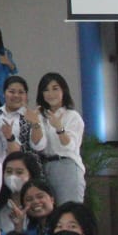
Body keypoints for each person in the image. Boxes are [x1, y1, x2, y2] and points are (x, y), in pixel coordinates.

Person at [36, 72, 86, 205]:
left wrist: (59, 128)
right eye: (46, 90)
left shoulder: (72, 116)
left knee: (69, 209)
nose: (50, 93)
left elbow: (70, 146)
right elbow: (39, 146)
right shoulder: (40, 116)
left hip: (66, 166)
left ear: (64, 90)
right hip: (45, 166)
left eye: (55, 88)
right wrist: (35, 124)